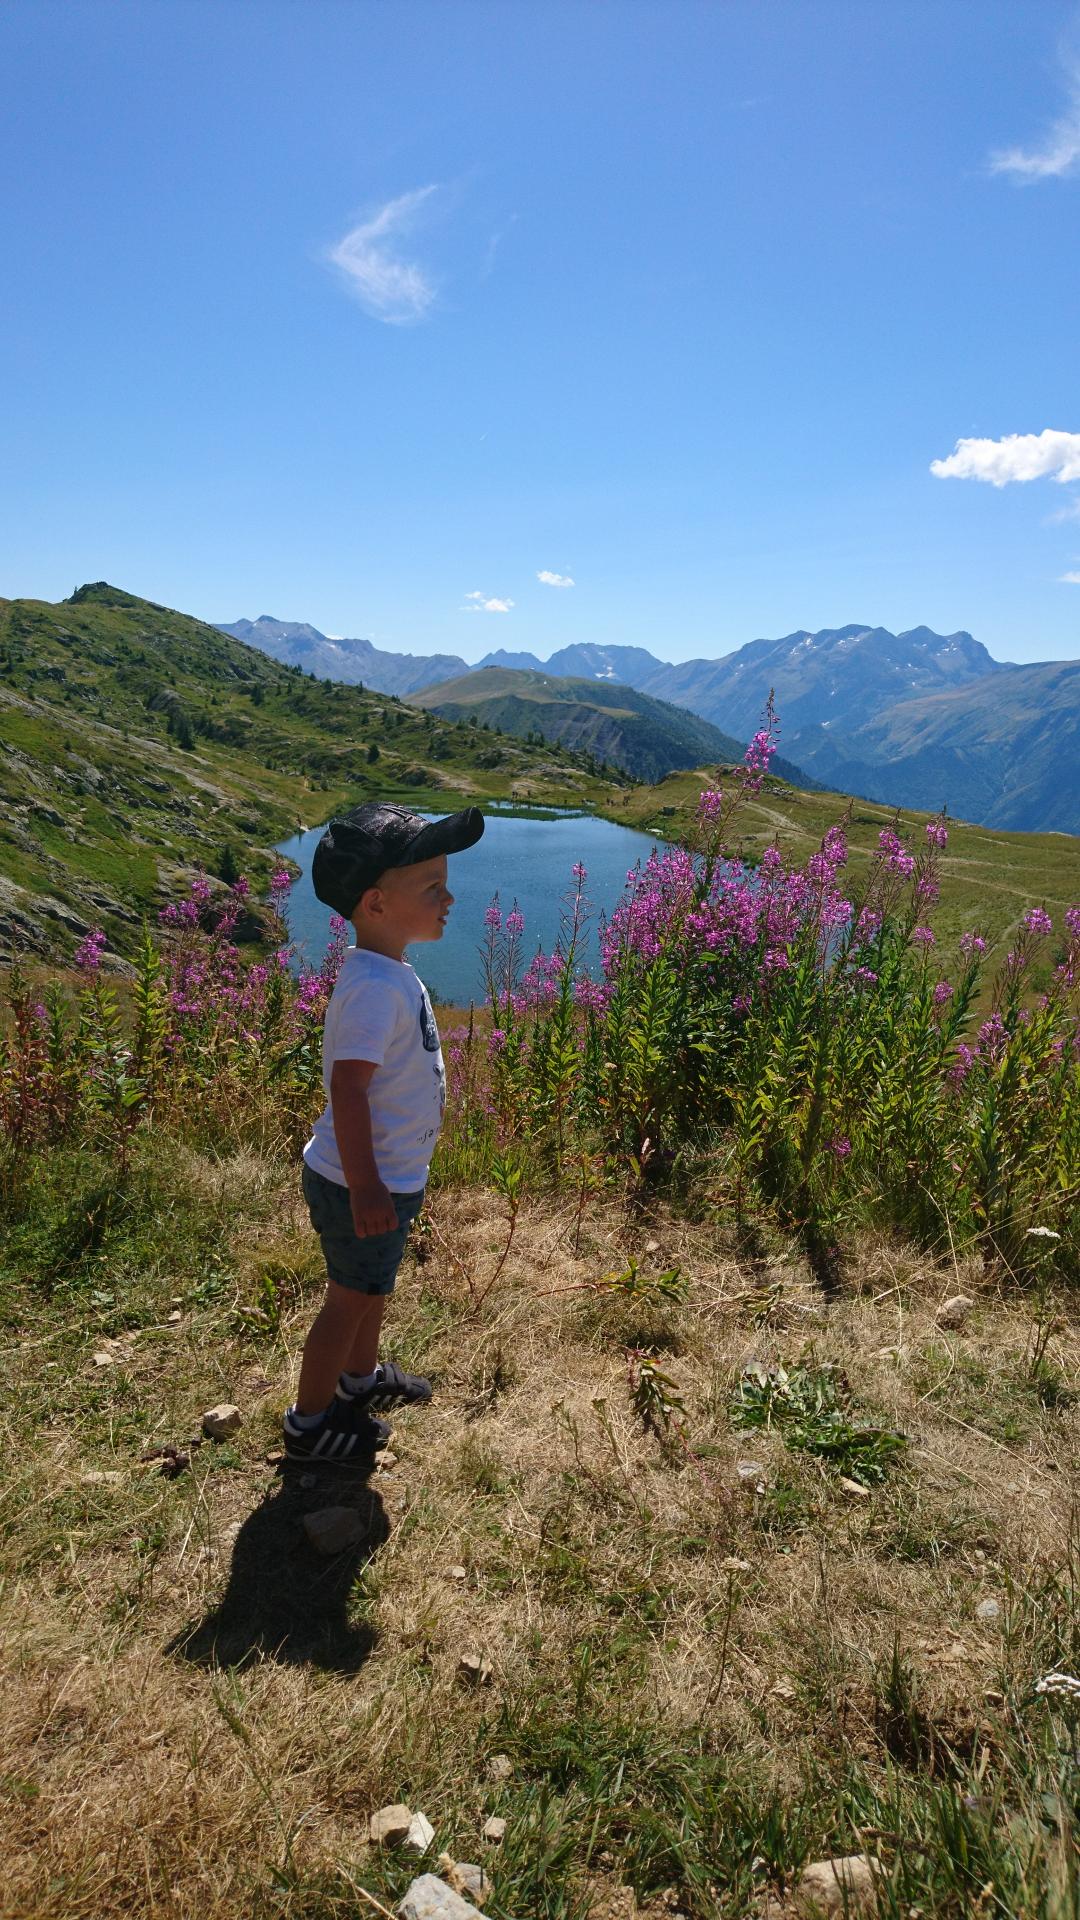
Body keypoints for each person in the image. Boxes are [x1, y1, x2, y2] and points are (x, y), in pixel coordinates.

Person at [282, 802, 485, 1463]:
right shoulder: (374, 987)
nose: (448, 898)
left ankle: (359, 1383)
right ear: (375, 903)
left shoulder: (387, 969)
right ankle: (309, 1427)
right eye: (432, 888)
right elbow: (348, 1088)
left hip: (384, 1180)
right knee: (347, 1300)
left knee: (372, 1287)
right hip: (360, 1183)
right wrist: (368, 1186)